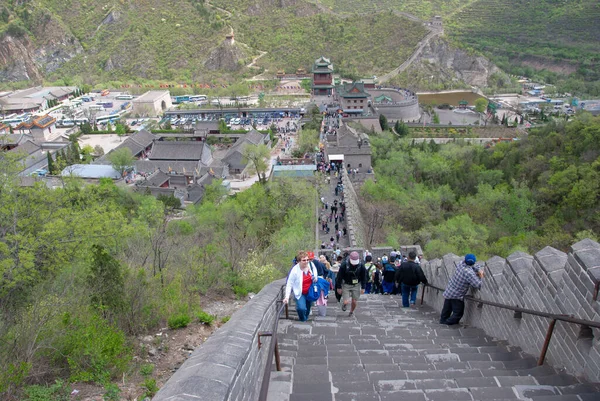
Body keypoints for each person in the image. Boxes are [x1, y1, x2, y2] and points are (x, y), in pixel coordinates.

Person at [439, 253, 484, 325]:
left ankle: (442, 321)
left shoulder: (460, 264)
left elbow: (473, 266)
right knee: (458, 313)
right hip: (457, 295)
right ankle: (447, 323)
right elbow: (478, 284)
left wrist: (477, 269)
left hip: (449, 291)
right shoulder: (468, 273)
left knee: (446, 310)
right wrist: (481, 276)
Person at [283, 251, 319, 322]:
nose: (306, 262)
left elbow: (315, 274)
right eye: (304, 260)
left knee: (308, 309)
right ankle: (303, 320)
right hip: (300, 293)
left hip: (310, 292)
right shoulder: (295, 270)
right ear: (299, 261)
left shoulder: (311, 265)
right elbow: (289, 284)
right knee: (301, 308)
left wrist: (315, 278)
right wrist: (287, 297)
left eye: (307, 260)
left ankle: (305, 319)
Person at [335, 251, 367, 317]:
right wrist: (339, 287)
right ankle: (344, 304)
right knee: (346, 301)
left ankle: (351, 311)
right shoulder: (344, 265)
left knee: (354, 301)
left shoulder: (361, 265)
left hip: (356, 284)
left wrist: (363, 287)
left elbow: (364, 277)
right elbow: (339, 277)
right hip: (346, 284)